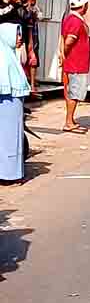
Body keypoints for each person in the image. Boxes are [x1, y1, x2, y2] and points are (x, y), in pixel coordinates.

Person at [0, 23, 31, 183]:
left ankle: (12, 172)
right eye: (17, 35)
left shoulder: (12, 57)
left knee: (14, 136)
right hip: (6, 102)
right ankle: (6, 174)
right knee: (6, 137)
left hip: (15, 103)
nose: (20, 39)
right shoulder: (3, 58)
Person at [60, 0, 90, 133]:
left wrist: (62, 55)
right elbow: (68, 41)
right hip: (76, 63)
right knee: (74, 93)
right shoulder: (76, 21)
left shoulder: (69, 19)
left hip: (72, 62)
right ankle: (68, 121)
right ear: (83, 5)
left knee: (71, 92)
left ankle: (70, 119)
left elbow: (63, 38)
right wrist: (65, 53)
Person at [21, 0, 41, 95]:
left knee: (34, 61)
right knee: (24, 60)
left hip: (34, 36)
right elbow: (26, 21)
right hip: (25, 37)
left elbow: (38, 17)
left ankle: (32, 84)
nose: (34, 1)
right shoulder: (22, 9)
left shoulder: (34, 9)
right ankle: (26, 83)